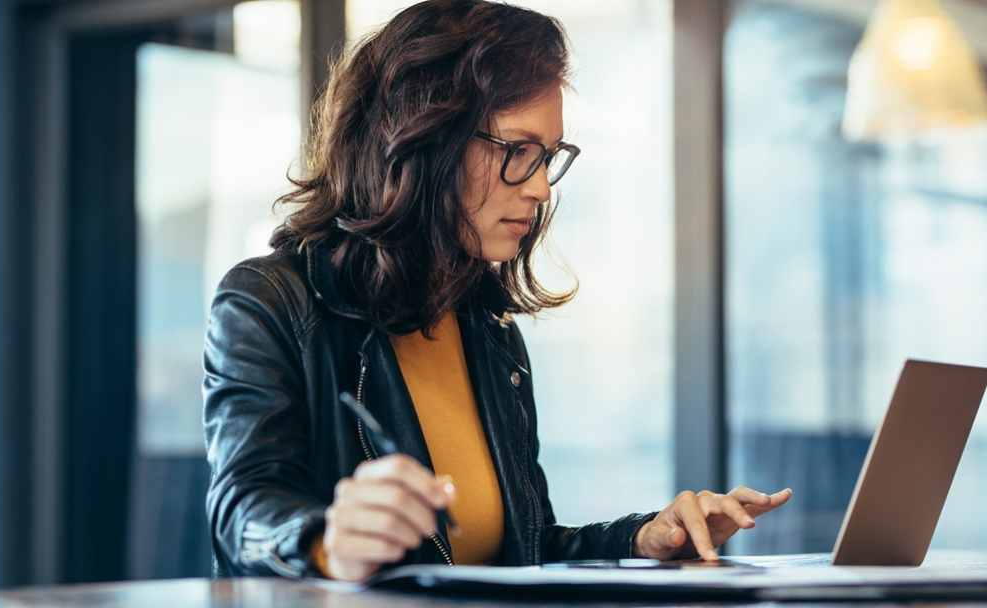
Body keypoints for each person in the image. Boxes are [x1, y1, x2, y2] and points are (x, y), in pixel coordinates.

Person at [202, 0, 791, 582]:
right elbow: (242, 513)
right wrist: (329, 542)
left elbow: (522, 552)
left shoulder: (486, 327)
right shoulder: (268, 303)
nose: (539, 188)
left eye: (547, 158)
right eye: (517, 152)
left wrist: (644, 538)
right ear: (424, 137)